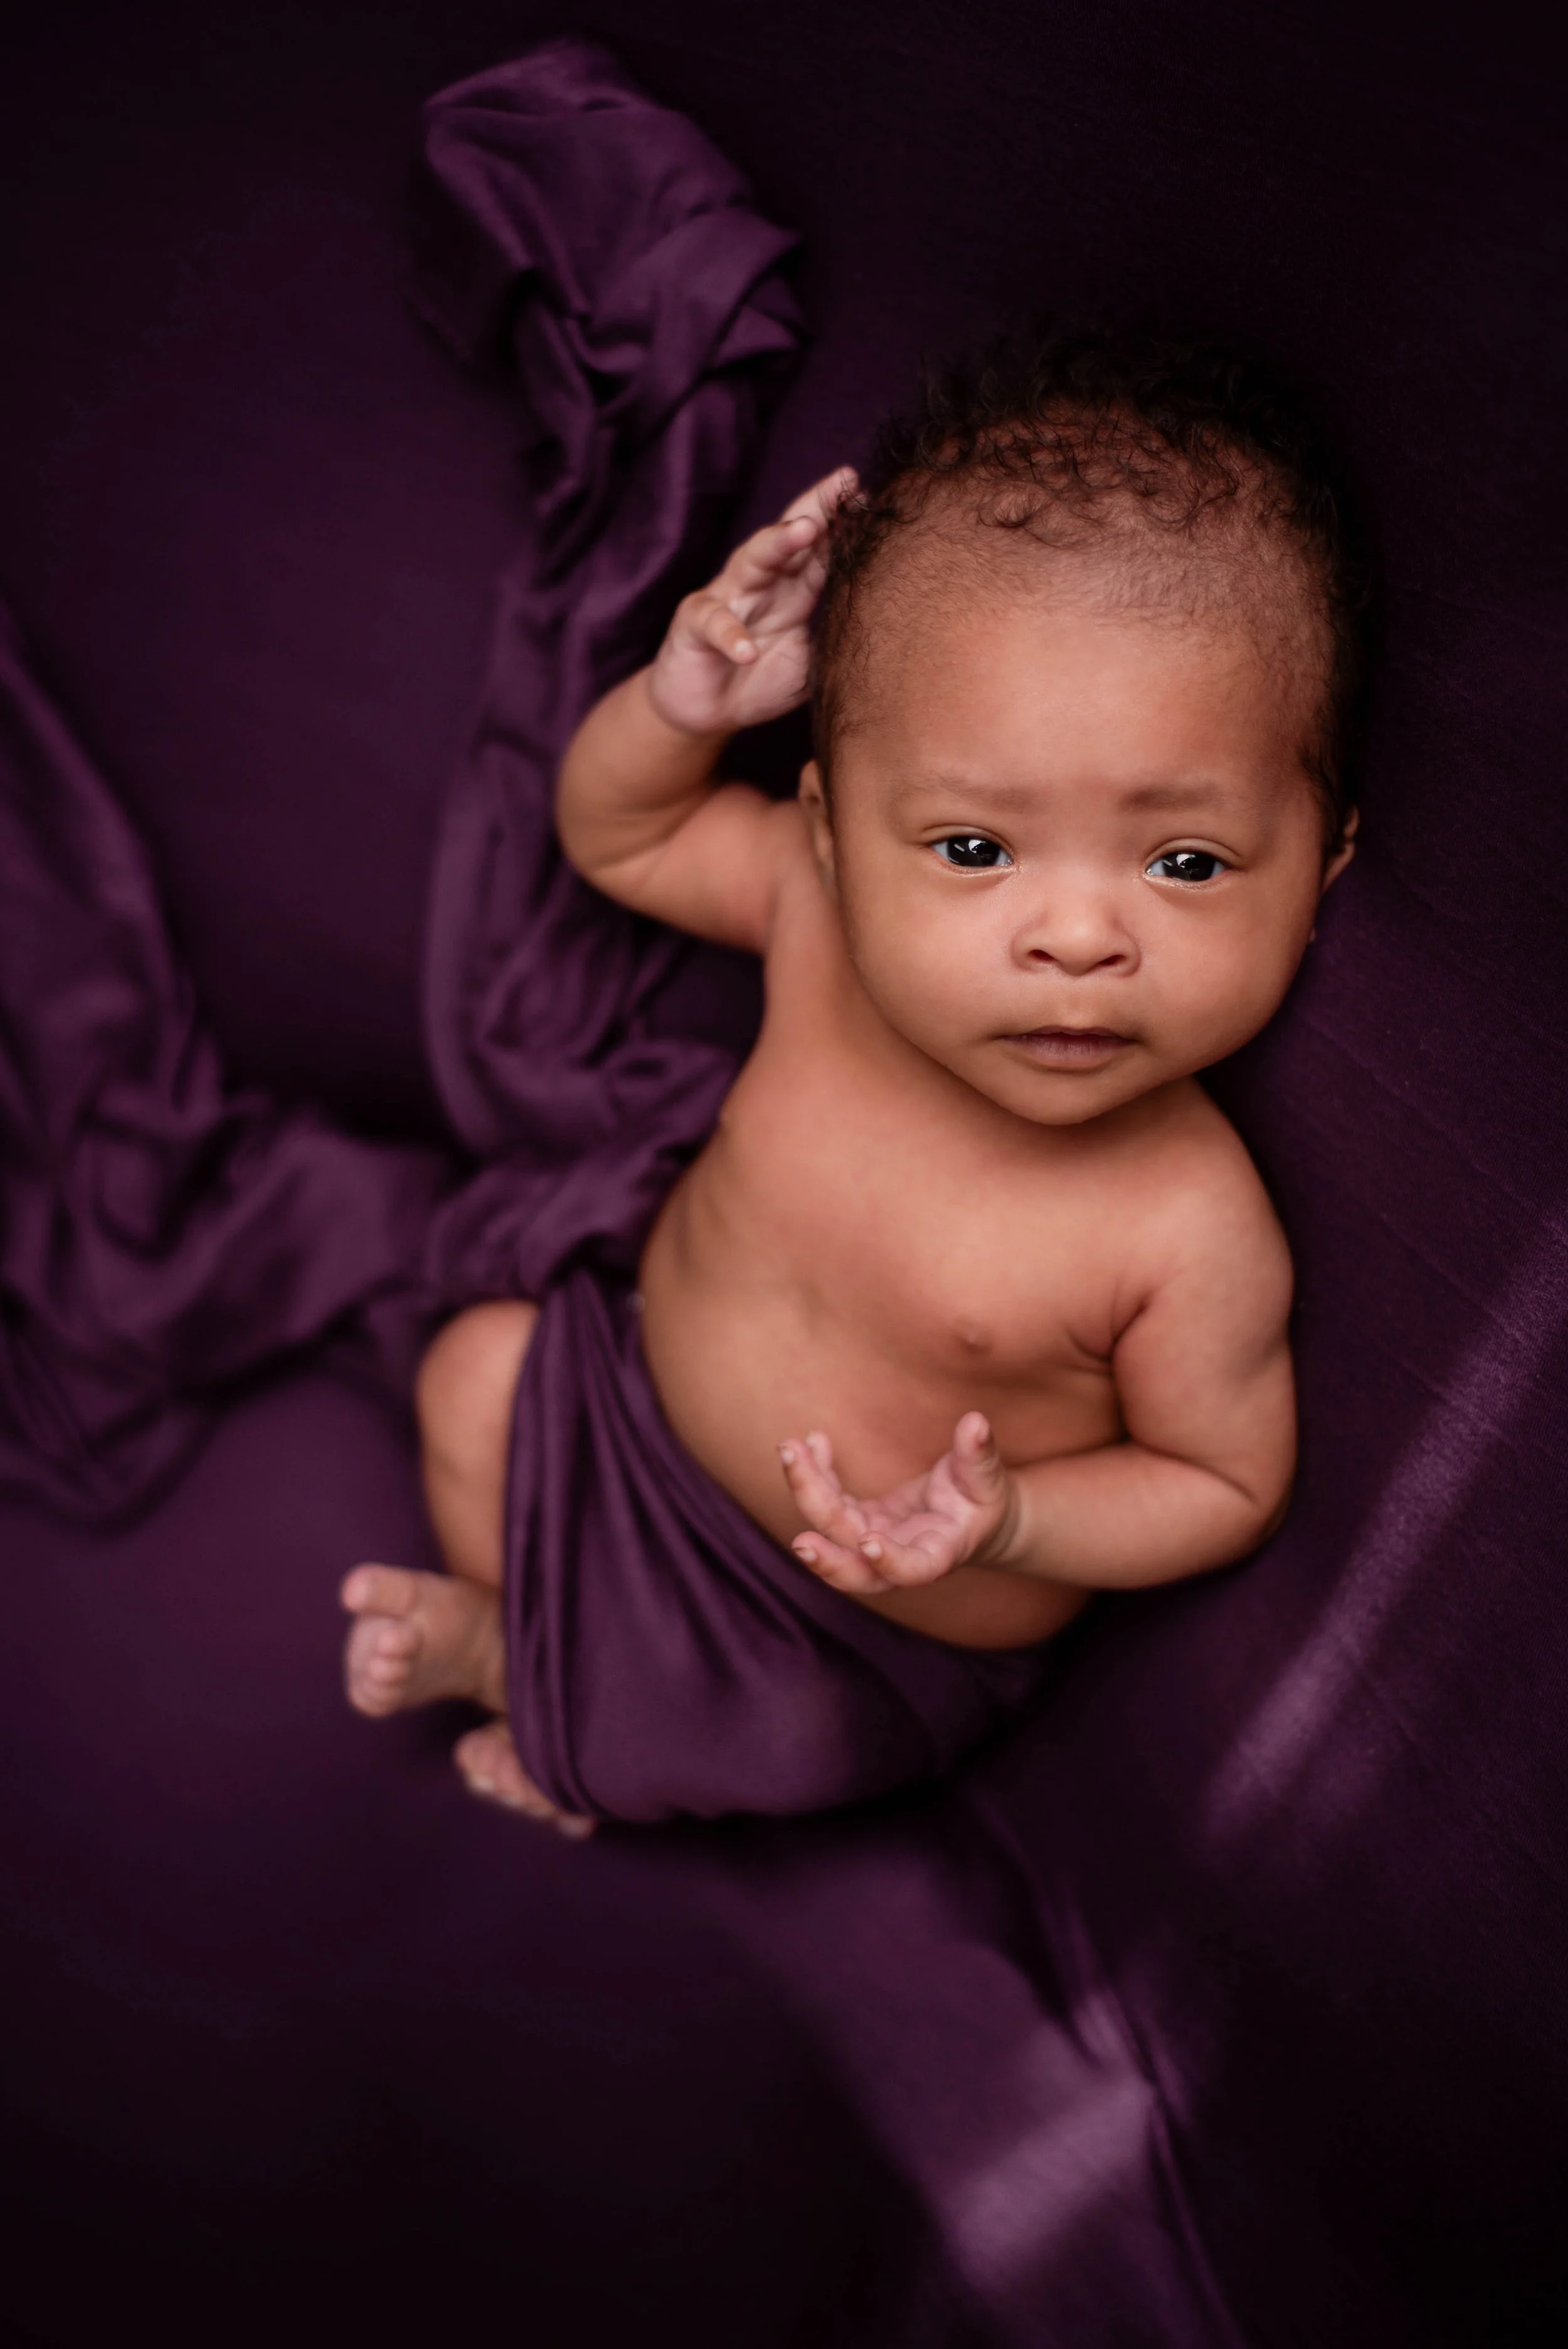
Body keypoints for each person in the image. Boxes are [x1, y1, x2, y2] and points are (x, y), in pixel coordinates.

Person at [341, 330, 1363, 1835]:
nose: (1076, 939)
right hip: (627, 1421)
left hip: (854, 1620)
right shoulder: (813, 916)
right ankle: (519, 1636)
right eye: (971, 849)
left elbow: (1222, 1485)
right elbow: (612, 838)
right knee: (473, 1374)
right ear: (825, 827)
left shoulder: (1181, 1221)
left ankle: (561, 1717)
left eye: (1185, 862)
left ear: (1323, 866)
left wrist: (1007, 1521)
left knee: (805, 1748)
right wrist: (682, 709)